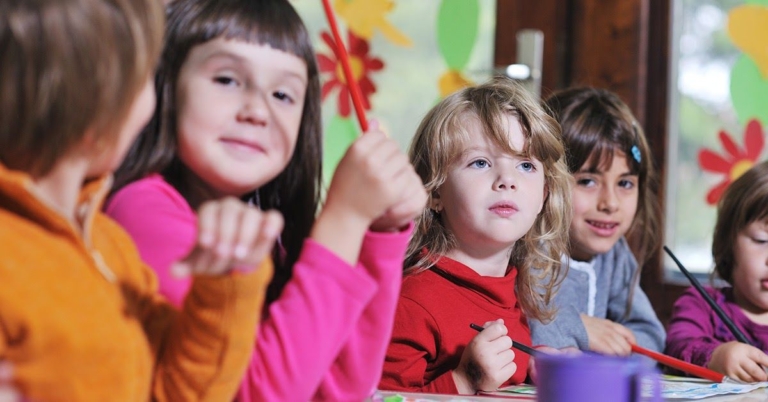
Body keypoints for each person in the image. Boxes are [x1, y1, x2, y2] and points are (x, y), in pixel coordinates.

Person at [105, 0, 426, 400]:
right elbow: (261, 394)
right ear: (165, 85)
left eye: (282, 94)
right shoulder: (140, 211)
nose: (257, 110)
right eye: (226, 79)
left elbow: (339, 389)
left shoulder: (266, 230)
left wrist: (379, 231)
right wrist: (344, 217)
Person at [0, 0, 277, 400]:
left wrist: (224, 287)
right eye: (149, 74)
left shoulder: (110, 245)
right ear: (100, 104)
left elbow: (180, 392)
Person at [379, 77, 572, 394]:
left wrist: (533, 369)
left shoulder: (512, 289)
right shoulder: (413, 301)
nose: (507, 180)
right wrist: (463, 380)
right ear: (434, 190)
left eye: (525, 165)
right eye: (480, 162)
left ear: (545, 194)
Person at [529, 87, 665, 356]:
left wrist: (611, 355)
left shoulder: (615, 257)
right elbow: (515, 325)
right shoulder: (525, 250)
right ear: (544, 181)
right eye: (588, 181)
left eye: (625, 183)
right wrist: (579, 329)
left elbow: (650, 335)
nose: (610, 203)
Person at [666, 160, 768, 383]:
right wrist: (716, 356)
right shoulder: (699, 304)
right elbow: (677, 346)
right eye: (762, 240)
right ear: (728, 243)